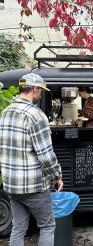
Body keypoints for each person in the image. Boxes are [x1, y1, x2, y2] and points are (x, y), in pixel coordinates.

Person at [0, 73, 63, 246]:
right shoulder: (36, 115)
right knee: (47, 226)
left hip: (11, 184)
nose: (41, 94)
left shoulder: (5, 112)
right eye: (41, 91)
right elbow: (46, 154)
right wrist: (57, 176)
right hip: (33, 185)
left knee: (18, 228)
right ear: (34, 89)